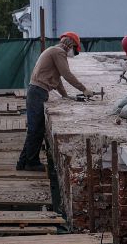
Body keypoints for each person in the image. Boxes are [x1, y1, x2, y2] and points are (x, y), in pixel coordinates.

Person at [16, 32, 88, 171]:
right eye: (74, 48)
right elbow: (66, 74)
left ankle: (23, 162)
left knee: (35, 129)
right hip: (38, 92)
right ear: (70, 44)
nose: (74, 52)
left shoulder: (52, 50)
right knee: (36, 129)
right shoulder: (59, 52)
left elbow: (58, 77)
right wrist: (84, 89)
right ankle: (31, 163)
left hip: (36, 91)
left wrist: (65, 96)